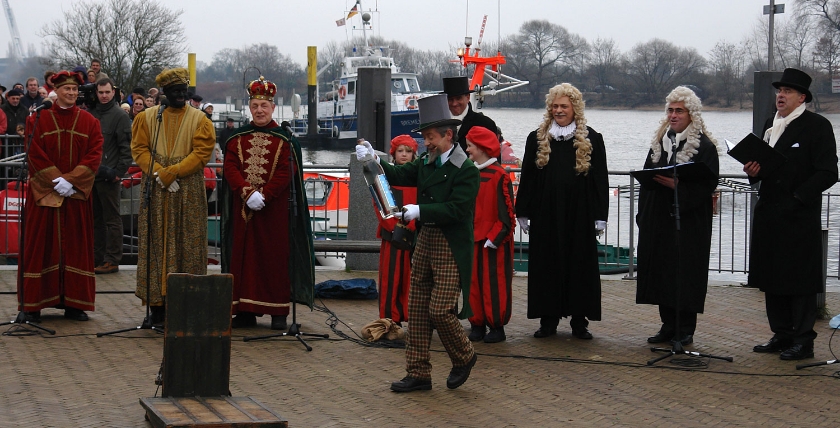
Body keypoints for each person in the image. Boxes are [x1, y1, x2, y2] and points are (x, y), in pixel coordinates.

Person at [357, 93, 479, 393]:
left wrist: (420, 210)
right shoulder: (426, 162)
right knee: (418, 308)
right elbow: (398, 173)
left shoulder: (467, 170)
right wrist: (375, 160)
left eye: (431, 137)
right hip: (425, 240)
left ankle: (464, 355)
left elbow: (457, 210)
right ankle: (418, 372)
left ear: (448, 135)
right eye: (424, 137)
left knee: (439, 310)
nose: (426, 143)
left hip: (451, 244)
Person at [746, 68, 839, 361]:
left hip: (798, 216)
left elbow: (828, 172)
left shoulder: (817, 126)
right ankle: (782, 333)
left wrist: (799, 197)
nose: (780, 96)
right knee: (772, 277)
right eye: (778, 91)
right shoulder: (769, 125)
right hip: (769, 214)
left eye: (787, 91)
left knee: (799, 280)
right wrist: (752, 173)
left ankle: (803, 339)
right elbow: (762, 166)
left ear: (802, 97)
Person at [515, 83, 609, 340]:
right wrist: (522, 210)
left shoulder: (593, 138)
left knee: (579, 264)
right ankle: (548, 320)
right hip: (546, 212)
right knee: (547, 264)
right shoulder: (537, 138)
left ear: (574, 108)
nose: (558, 110)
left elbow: (600, 179)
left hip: (580, 213)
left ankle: (580, 321)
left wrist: (601, 215)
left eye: (563, 106)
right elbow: (529, 178)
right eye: (555, 106)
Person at [223, 76, 315, 330]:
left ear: (273, 108)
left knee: (273, 259)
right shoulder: (236, 139)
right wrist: (245, 192)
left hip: (274, 210)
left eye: (264, 106)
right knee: (243, 258)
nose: (260, 110)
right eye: (255, 106)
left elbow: (289, 171)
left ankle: (277, 311)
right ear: (249, 108)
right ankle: (244, 311)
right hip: (243, 209)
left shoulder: (285, 139)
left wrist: (264, 195)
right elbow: (229, 167)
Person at [635, 86, 720, 346]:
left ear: (691, 114)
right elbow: (648, 177)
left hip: (689, 222)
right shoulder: (660, 142)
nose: (673, 115)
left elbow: (708, 184)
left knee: (685, 273)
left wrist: (679, 187)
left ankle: (685, 328)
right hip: (659, 218)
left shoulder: (704, 146)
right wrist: (643, 214)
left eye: (679, 111)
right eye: (670, 110)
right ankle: (668, 325)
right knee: (662, 272)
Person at [130, 67, 215, 325]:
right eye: (175, 92)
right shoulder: (146, 118)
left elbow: (202, 154)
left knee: (186, 243)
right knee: (155, 244)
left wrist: (175, 172)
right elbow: (139, 149)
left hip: (187, 190)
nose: (181, 96)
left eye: (184, 91)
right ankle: (157, 306)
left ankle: (186, 306)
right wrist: (159, 173)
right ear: (164, 93)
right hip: (156, 189)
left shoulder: (201, 120)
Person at [18, 70, 103, 322]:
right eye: (67, 90)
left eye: (75, 90)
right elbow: (33, 152)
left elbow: (94, 153)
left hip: (75, 196)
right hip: (44, 194)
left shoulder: (90, 122)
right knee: (40, 247)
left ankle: (74, 304)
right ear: (56, 92)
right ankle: (32, 305)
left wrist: (72, 181)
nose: (72, 93)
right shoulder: (38, 119)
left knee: (75, 248)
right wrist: (56, 180)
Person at [463, 125, 515, 344]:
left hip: (493, 241)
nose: (467, 151)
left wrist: (496, 237)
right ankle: (477, 323)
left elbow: (507, 213)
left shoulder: (500, 176)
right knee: (472, 283)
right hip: (473, 238)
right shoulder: (470, 173)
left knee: (494, 284)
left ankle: (496, 325)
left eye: (470, 146)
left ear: (482, 148)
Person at [89, 78, 133, 275]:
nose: (104, 95)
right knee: (95, 219)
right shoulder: (92, 113)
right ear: (96, 93)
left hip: (109, 175)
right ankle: (97, 257)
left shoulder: (119, 116)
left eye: (107, 92)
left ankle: (112, 259)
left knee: (112, 220)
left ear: (113, 92)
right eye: (101, 92)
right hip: (91, 175)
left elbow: (126, 148)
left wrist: (118, 173)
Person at [375, 134, 418, 325]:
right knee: (390, 278)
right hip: (392, 234)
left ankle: (413, 316)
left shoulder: (419, 175)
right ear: (393, 154)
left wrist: (413, 227)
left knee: (413, 279)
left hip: (415, 234)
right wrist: (394, 227)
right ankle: (390, 319)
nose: (404, 155)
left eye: (408, 152)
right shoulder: (385, 175)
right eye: (400, 151)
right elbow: (381, 204)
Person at [441, 76, 497, 152]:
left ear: (467, 97)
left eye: (458, 98)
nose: (454, 103)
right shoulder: (439, 124)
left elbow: (494, 157)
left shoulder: (485, 124)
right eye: (450, 99)